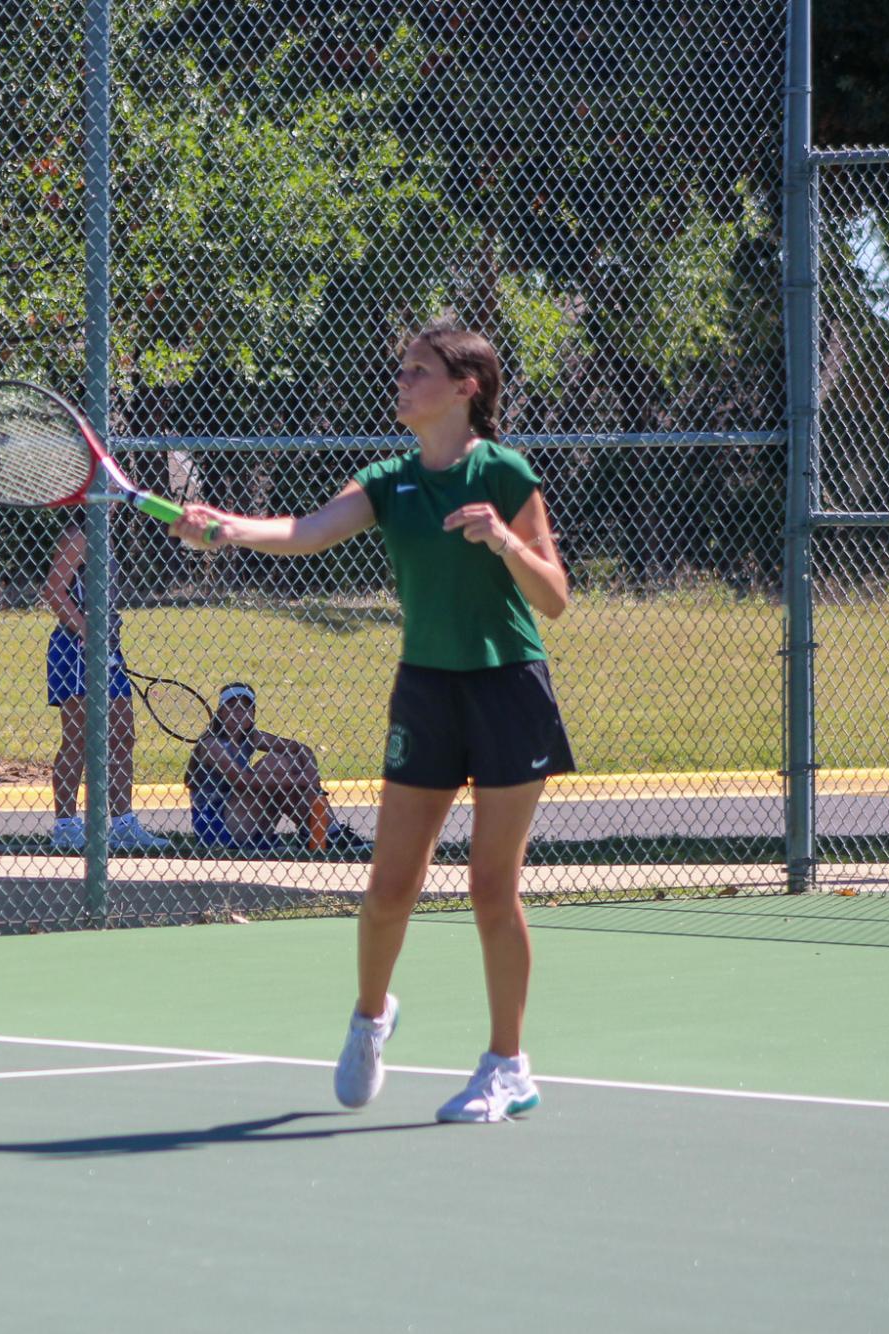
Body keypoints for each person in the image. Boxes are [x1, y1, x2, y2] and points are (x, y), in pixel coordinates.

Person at [169, 322, 574, 1124]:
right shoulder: (388, 481)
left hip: (507, 688)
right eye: (402, 369)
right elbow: (305, 532)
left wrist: (501, 541)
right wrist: (227, 527)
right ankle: (369, 1017)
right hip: (425, 690)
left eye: (418, 371)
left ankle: (508, 1066)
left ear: (466, 389)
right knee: (390, 887)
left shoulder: (502, 471)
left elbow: (554, 597)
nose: (402, 381)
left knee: (492, 890)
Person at [43, 513, 168, 850]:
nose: (117, 482)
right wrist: (89, 632)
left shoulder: (103, 533)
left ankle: (124, 825)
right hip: (75, 649)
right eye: (108, 476)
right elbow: (54, 591)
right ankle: (66, 827)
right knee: (79, 738)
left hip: (108, 651)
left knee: (123, 734)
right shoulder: (79, 534)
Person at [186, 682, 370, 854]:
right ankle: (326, 832)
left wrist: (312, 778)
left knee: (287, 761)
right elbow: (243, 782)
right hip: (217, 826)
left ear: (253, 713)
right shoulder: (211, 745)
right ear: (221, 712)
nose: (239, 713)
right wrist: (301, 780)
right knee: (277, 763)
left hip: (243, 817)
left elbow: (300, 750)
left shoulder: (251, 737)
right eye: (232, 707)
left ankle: (323, 832)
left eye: (245, 708)